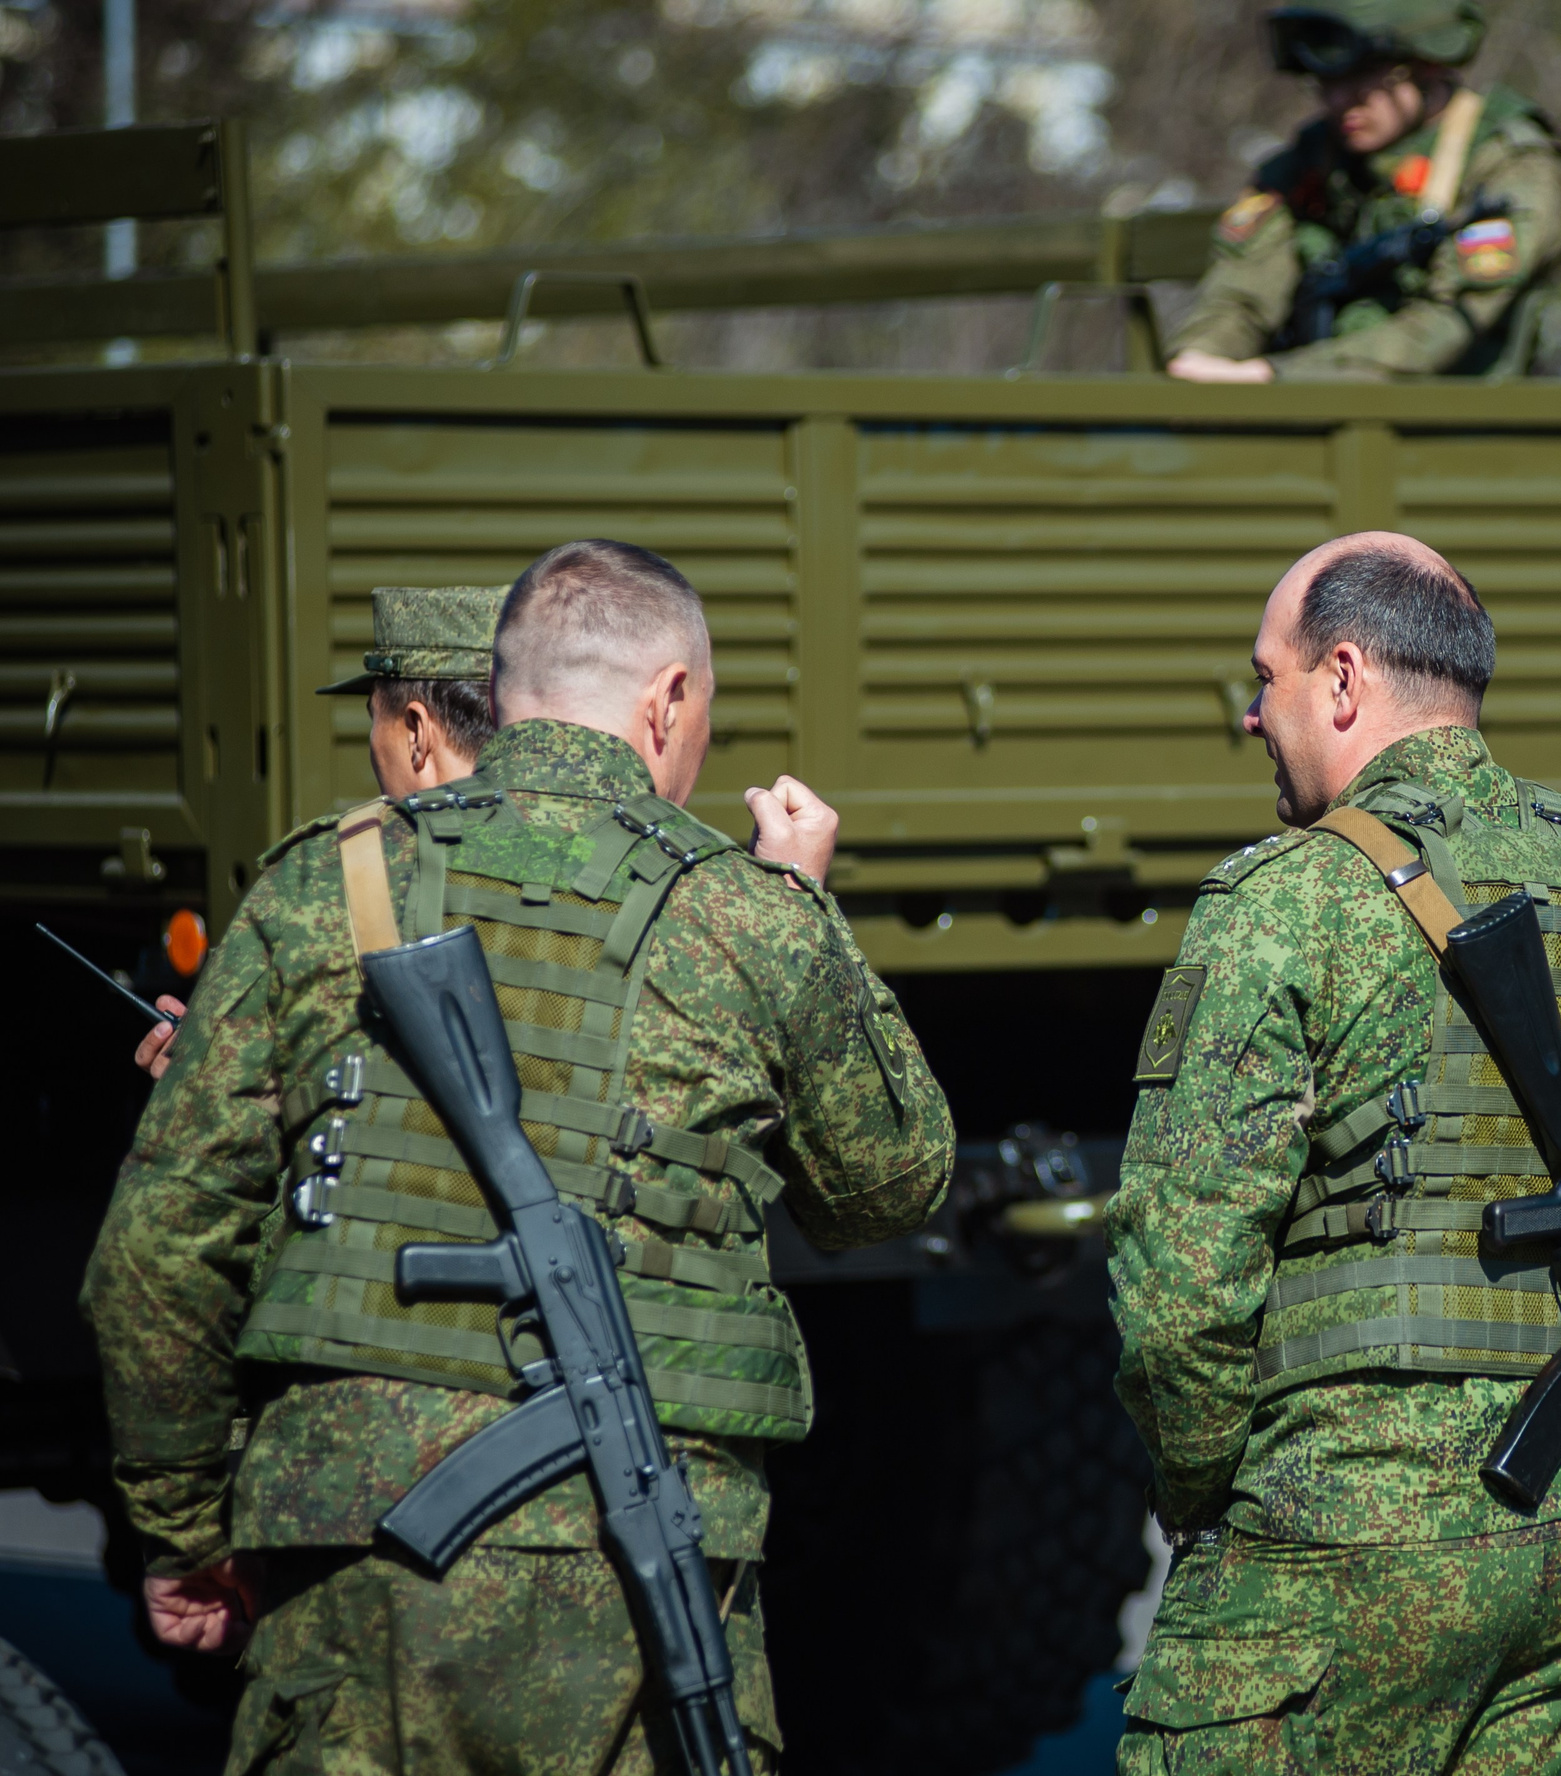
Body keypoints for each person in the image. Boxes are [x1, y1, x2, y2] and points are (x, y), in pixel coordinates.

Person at [82, 538, 954, 1772]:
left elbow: (158, 1255)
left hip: (353, 1542)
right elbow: (891, 1187)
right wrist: (805, 906)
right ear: (667, 702)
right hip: (643, 1549)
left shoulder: (321, 886)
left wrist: (185, 1526)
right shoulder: (743, 913)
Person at [1108, 532, 1561, 1771]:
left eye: (1267, 677)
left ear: (1343, 679)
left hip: (1332, 1545)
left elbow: (1180, 1278)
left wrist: (1204, 1493)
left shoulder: (1283, 904)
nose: (1252, 715)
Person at [135, 586, 838, 1080]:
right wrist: (791, 903)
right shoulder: (702, 890)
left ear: (415, 731)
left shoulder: (321, 891)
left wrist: (200, 1079)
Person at [1165, 1, 1561, 383]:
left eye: (1364, 79)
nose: (1341, 102)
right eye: (1325, 83)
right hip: (1319, 407)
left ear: (1427, 68)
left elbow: (1445, 327)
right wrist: (1201, 360)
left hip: (1460, 422)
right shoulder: (1315, 160)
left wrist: (1275, 377)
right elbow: (1239, 295)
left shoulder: (1509, 163)